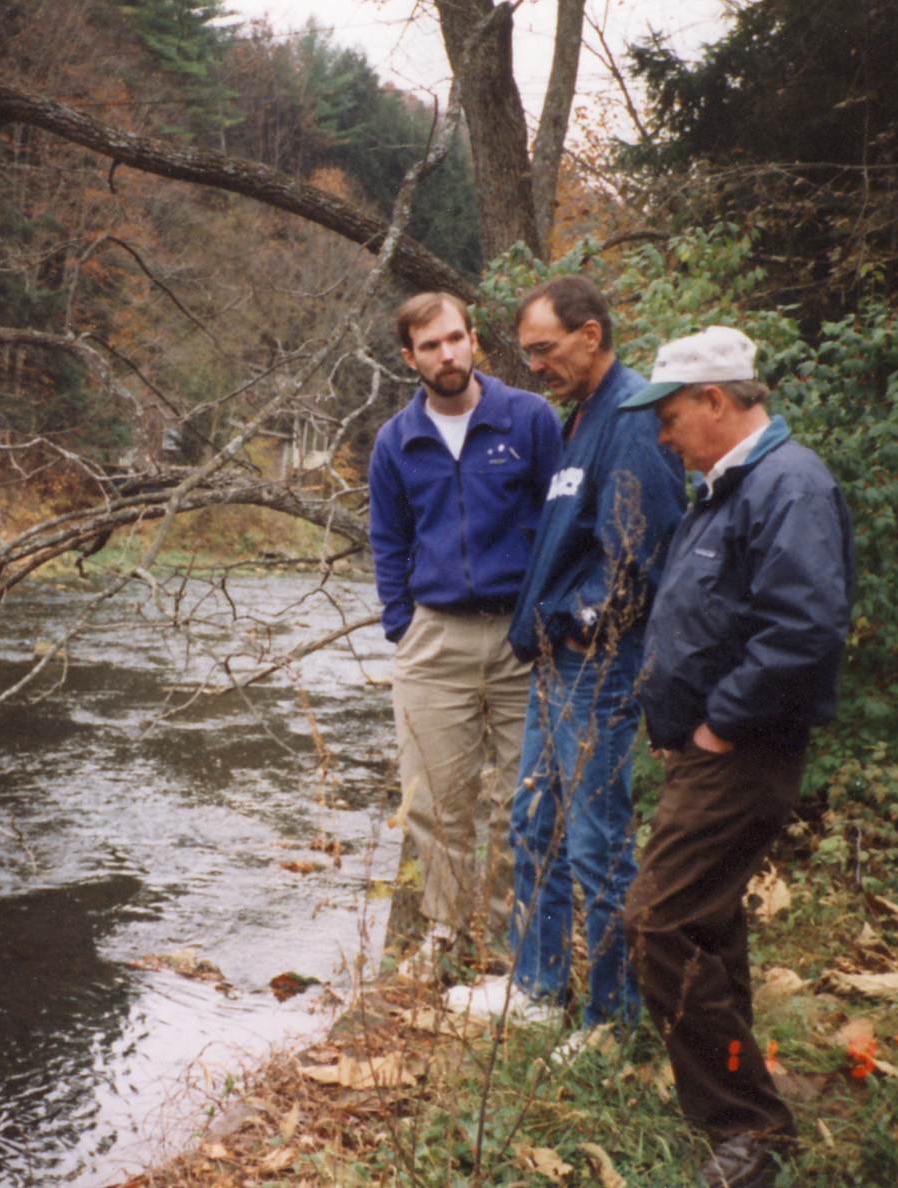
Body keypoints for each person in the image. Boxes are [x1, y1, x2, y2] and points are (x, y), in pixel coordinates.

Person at [617, 325, 854, 1188]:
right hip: (704, 754)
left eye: (670, 416)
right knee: (707, 924)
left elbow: (806, 629)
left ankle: (748, 1127)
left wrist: (720, 723)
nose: (661, 435)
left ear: (716, 401)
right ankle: (741, 1098)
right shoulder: (725, 491)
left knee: (656, 923)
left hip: (739, 755)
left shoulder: (788, 486)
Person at [446, 276, 686, 1044]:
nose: (535, 366)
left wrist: (588, 627)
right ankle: (542, 991)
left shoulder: (634, 416)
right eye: (526, 354)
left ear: (591, 334)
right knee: (533, 823)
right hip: (556, 665)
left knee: (595, 843)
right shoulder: (580, 418)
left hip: (596, 667)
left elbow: (645, 550)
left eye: (545, 349)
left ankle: (613, 1022)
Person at [368, 292, 564, 973]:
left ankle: (517, 948)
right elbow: (387, 539)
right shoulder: (397, 440)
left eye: (455, 338)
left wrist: (547, 615)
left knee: (525, 800)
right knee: (434, 803)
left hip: (521, 637)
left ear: (474, 339)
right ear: (410, 357)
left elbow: (562, 518)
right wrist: (401, 622)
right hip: (435, 639)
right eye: (430, 346)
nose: (446, 354)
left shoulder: (530, 419)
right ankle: (445, 936)